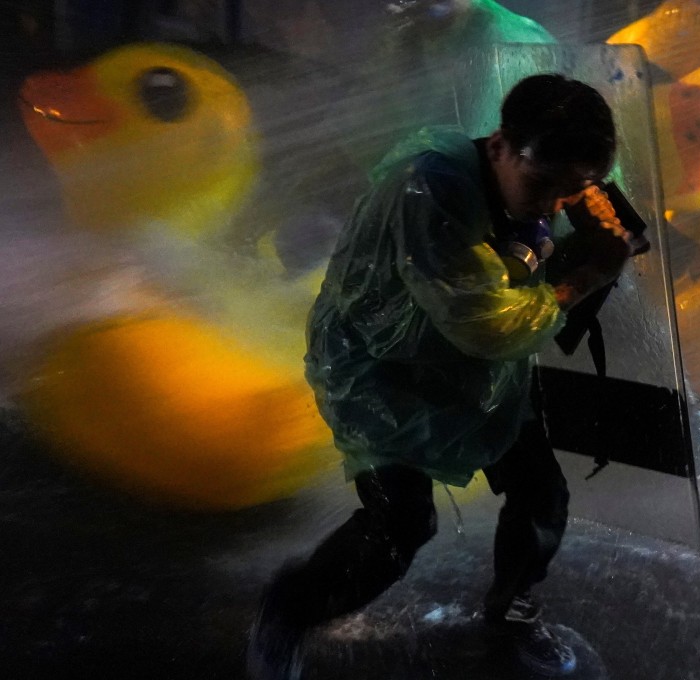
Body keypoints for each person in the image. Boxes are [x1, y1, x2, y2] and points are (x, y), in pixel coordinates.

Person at [247, 73, 634, 680]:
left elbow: (567, 235)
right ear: (500, 144)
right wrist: (587, 273)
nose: (551, 204)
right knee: (400, 523)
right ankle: (287, 613)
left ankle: (512, 613)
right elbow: (485, 323)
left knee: (541, 493)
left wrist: (596, 206)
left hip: (472, 372)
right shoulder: (433, 187)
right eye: (542, 185)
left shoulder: (538, 182)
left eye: (569, 191)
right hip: (381, 370)